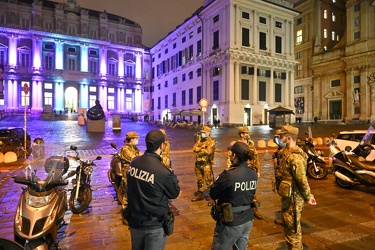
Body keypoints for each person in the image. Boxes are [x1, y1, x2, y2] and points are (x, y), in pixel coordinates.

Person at [126, 129, 181, 250]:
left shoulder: (134, 163)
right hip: (154, 225)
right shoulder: (163, 171)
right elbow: (174, 193)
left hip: (135, 221)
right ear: (162, 146)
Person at [210, 142, 257, 250]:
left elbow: (213, 193)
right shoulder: (253, 173)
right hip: (247, 219)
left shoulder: (229, 175)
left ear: (234, 155)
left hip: (231, 221)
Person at [276, 125, 317, 249]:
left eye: (281, 136)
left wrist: (308, 196)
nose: (279, 138)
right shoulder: (286, 152)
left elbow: (302, 180)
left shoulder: (296, 157)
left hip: (294, 199)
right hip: (288, 197)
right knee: (289, 227)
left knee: (293, 229)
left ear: (288, 138)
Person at [226, 125, 263, 219]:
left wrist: (258, 170)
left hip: (251, 170)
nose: (248, 135)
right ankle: (241, 209)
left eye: (248, 133)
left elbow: (256, 158)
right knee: (241, 190)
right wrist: (230, 171)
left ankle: (254, 210)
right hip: (240, 171)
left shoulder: (251, 144)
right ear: (241, 134)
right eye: (246, 133)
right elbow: (229, 158)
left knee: (253, 191)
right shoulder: (236, 145)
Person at [191, 126, 216, 206]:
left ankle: (212, 197)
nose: (202, 134)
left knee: (209, 182)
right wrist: (201, 148)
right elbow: (194, 148)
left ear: (208, 133)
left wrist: (200, 150)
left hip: (206, 164)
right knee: (200, 180)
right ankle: (200, 193)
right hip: (198, 164)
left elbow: (207, 152)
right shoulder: (200, 140)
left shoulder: (211, 142)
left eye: (204, 133)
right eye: (202, 133)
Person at [120, 131, 142, 205]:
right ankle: (125, 208)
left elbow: (140, 155)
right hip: (127, 172)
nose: (137, 140)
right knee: (128, 191)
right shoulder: (125, 149)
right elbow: (134, 158)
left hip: (135, 170)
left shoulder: (134, 148)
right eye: (136, 138)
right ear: (132, 139)